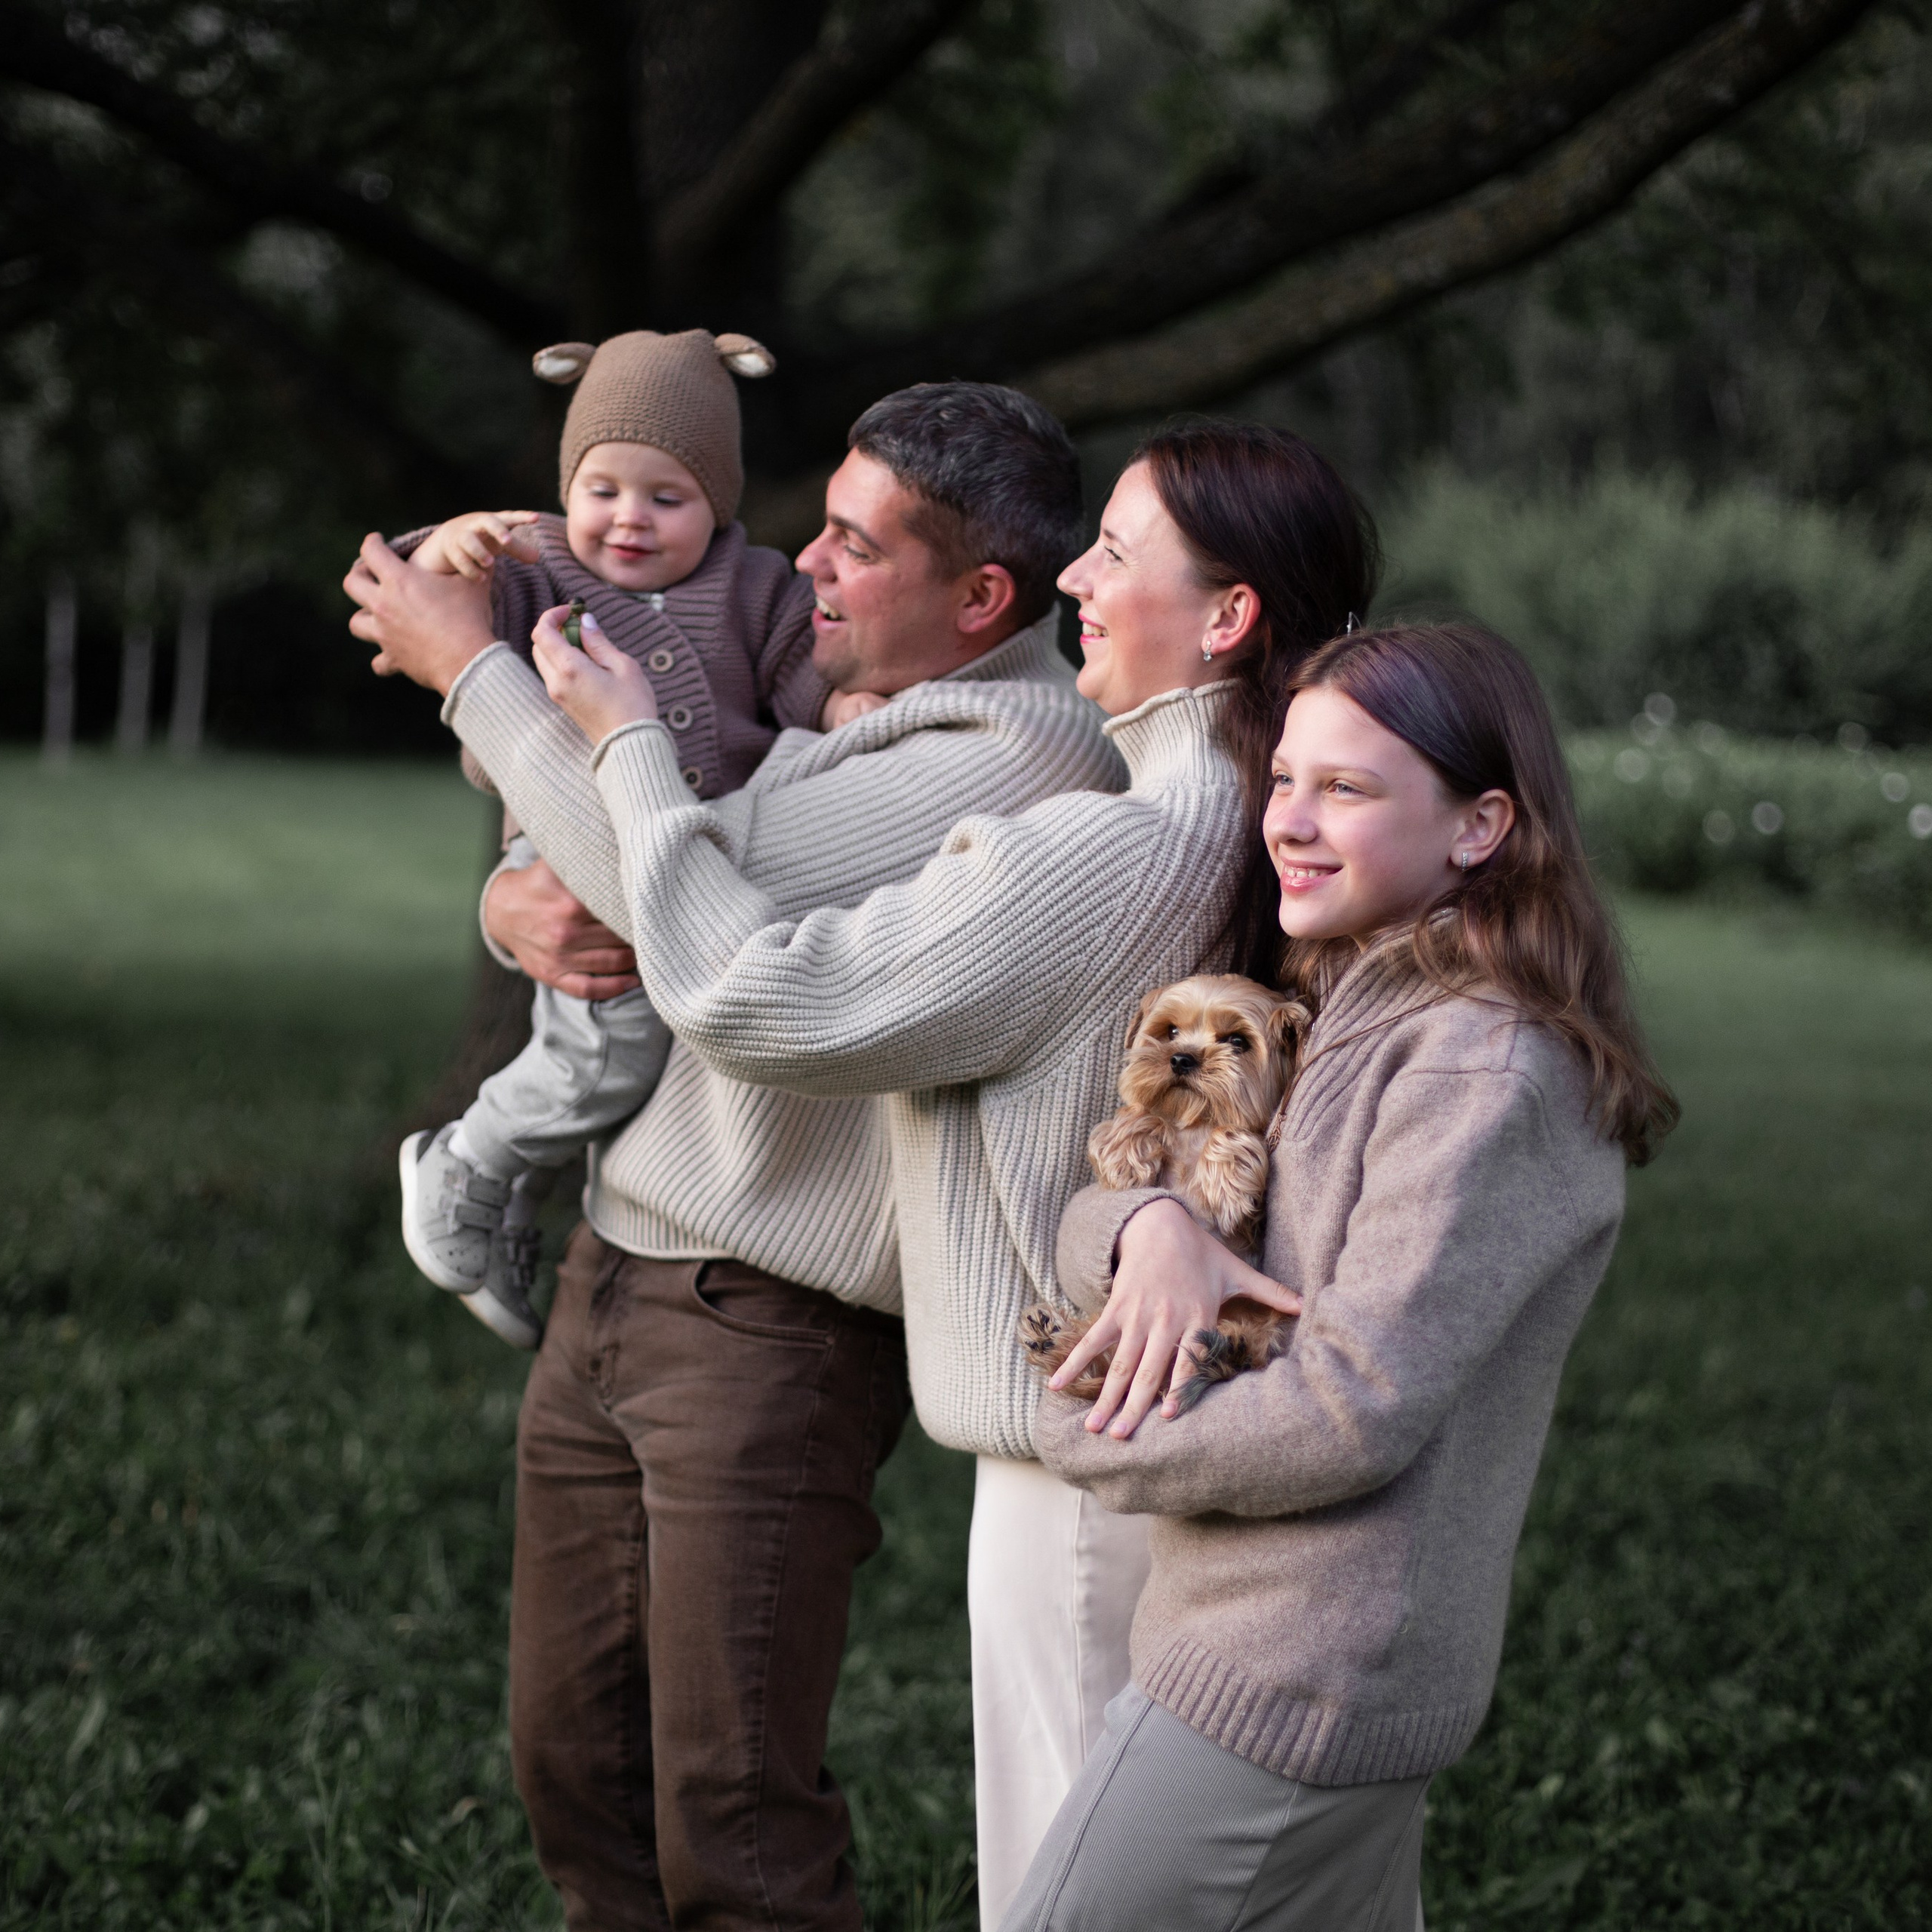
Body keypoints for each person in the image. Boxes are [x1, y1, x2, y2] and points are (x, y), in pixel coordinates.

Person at [491, 420, 1377, 1928]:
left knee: (1059, 1886)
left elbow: (761, 996)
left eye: (1110, 548)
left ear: (1225, 616)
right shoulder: (1217, 821)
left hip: (1088, 1439)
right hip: (1108, 1409)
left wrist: (594, 731)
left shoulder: (1128, 833)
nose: (1070, 579)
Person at [348, 382, 1120, 1932]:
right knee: (578, 1771)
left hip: (768, 1326)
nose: (804, 565)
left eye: (851, 544)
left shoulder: (1012, 761)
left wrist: (468, 672)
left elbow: (664, 877)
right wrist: (508, 904)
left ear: (979, 597)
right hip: (615, 1268)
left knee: (731, 1815)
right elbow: (610, 854)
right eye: (817, 522)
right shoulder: (833, 702)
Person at [1013, 622, 1680, 1931]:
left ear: (1482, 826)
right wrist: (1152, 1233)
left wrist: (1081, 1430)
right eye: (1284, 782)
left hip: (1303, 1674)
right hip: (1254, 1642)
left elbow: (1350, 1407)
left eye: (1350, 789)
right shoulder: (1338, 1001)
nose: (1292, 825)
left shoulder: (1477, 1069)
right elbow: (1138, 1182)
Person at [391, 326, 882, 1348]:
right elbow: (423, 597)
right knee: (607, 1052)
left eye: (668, 498)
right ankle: (466, 1166)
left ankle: (518, 1185)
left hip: (690, 849)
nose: (628, 519)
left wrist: (841, 707)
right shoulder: (535, 559)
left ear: (719, 503)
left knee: (656, 1067)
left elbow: (805, 678)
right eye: (603, 487)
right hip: (568, 844)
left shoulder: (754, 586)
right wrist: (449, 551)